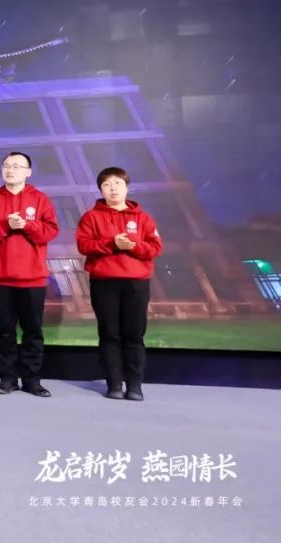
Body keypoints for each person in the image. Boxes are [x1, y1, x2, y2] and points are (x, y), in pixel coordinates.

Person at [0, 152, 59, 398]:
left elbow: (51, 231)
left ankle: (32, 380)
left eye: (16, 166)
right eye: (6, 166)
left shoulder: (40, 199)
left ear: (28, 172)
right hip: (1, 277)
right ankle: (7, 379)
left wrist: (27, 225)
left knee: (33, 331)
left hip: (33, 278)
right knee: (5, 331)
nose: (10, 170)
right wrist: (5, 226)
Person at [76, 167, 163, 402]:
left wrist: (133, 246)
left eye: (117, 183)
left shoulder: (143, 218)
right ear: (100, 190)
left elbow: (155, 248)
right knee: (109, 334)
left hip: (136, 283)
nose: (112, 188)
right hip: (104, 283)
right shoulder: (91, 217)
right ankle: (114, 383)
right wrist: (112, 243)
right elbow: (84, 246)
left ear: (126, 187)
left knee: (134, 335)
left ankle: (134, 385)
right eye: (106, 184)